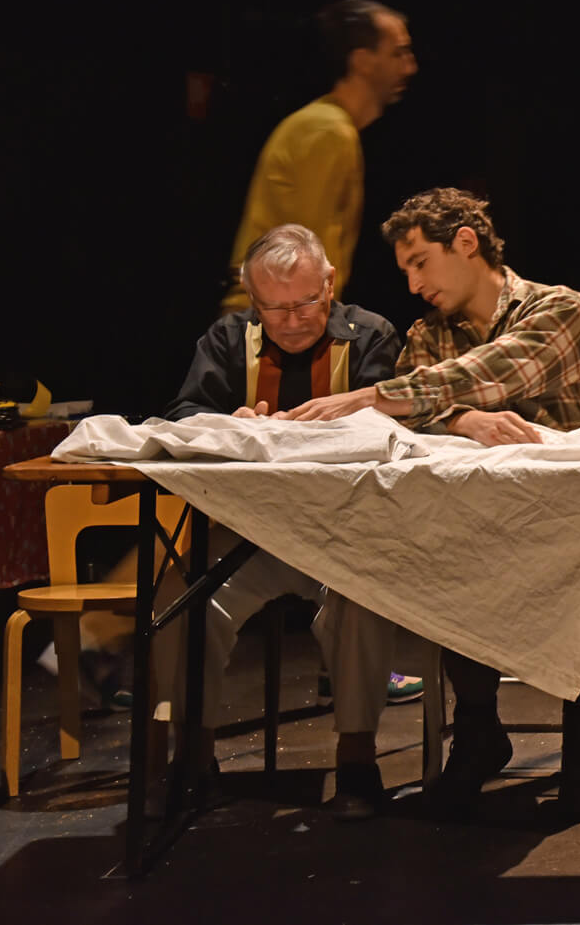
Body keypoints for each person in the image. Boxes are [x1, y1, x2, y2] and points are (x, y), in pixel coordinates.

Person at [277, 187, 580, 821]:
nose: (413, 285)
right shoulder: (428, 335)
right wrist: (462, 421)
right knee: (450, 542)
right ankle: (478, 733)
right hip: (482, 522)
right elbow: (409, 422)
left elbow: (491, 371)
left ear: (466, 243)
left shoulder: (557, 308)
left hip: (571, 519)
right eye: (405, 271)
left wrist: (374, 396)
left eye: (420, 263)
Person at [159, 223, 412, 819]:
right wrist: (232, 424)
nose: (292, 321)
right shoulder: (228, 338)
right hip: (249, 535)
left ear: (330, 285)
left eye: (304, 303)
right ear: (253, 300)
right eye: (273, 309)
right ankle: (192, 756)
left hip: (343, 535)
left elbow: (397, 425)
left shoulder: (371, 335)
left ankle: (357, 759)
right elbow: (184, 412)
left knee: (364, 600)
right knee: (182, 599)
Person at [220, 0, 417, 313]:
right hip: (276, 322)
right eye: (398, 53)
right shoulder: (327, 130)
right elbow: (307, 261)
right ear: (363, 61)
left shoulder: (333, 127)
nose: (410, 67)